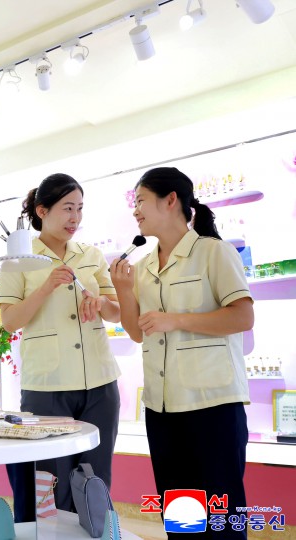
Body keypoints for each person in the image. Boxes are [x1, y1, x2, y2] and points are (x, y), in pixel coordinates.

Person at [110, 167, 253, 539]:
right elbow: (137, 332)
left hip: (212, 405)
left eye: (141, 201)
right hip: (162, 408)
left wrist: (175, 319)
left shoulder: (213, 252)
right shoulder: (143, 267)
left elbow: (242, 316)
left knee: (221, 520)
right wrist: (123, 289)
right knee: (181, 520)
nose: (135, 210)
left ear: (170, 200)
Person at [0, 173, 122, 515]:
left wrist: (100, 302)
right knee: (51, 482)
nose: (75, 218)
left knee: (96, 477)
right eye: (68, 208)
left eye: (80, 208)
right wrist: (45, 287)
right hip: (47, 386)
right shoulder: (19, 259)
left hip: (100, 382)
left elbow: (116, 312)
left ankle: (94, 533)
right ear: (42, 210)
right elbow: (10, 321)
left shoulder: (91, 255)